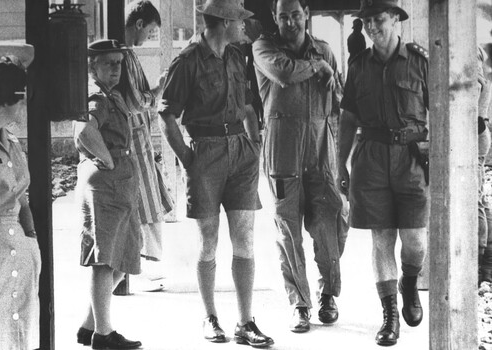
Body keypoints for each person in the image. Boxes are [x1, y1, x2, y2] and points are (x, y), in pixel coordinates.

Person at [158, 0, 274, 347]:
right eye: (239, 21)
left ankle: (246, 321)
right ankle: (210, 317)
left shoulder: (238, 57)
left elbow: (251, 105)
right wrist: (187, 159)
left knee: (245, 239)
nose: (244, 26)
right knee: (208, 241)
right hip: (205, 153)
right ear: (223, 22)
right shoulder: (188, 61)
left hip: (241, 152)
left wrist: (255, 145)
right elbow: (166, 116)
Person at [252, 0, 349, 333]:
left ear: (305, 14)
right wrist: (317, 68)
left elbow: (337, 103)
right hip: (282, 151)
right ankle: (300, 304)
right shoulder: (264, 47)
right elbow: (283, 72)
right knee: (288, 230)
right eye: (283, 16)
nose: (290, 22)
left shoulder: (324, 50)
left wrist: (341, 157)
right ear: (275, 18)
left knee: (330, 223)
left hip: (322, 150)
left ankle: (328, 295)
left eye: (295, 15)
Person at [337, 0, 428, 346]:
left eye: (379, 20)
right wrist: (339, 164)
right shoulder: (358, 66)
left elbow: (443, 111)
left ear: (396, 20)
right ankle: (390, 316)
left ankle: (409, 281)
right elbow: (348, 118)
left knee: (416, 241)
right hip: (371, 160)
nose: (372, 27)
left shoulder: (419, 62)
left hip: (411, 159)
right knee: (381, 239)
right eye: (367, 21)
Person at [74, 39, 142, 350]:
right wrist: (108, 158)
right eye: (107, 63)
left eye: (118, 63)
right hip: (107, 183)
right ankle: (104, 334)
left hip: (120, 181)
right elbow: (84, 131)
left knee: (123, 255)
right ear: (93, 66)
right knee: (104, 260)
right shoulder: (97, 96)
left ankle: (91, 325)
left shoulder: (112, 94)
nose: (115, 69)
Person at [0, 43, 42, 349]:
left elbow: (23, 197)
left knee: (20, 329)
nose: (24, 105)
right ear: (10, 98)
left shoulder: (12, 141)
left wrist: (31, 240)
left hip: (20, 244)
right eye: (22, 97)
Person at [113, 0, 171, 294]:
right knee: (148, 204)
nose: (147, 38)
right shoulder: (123, 55)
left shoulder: (125, 55)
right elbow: (135, 101)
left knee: (145, 203)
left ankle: (137, 269)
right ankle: (149, 270)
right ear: (138, 24)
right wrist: (157, 91)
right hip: (133, 139)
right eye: (148, 32)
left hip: (136, 138)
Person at [477, 45, 492, 283]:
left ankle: (481, 265)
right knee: (479, 200)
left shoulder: (476, 81)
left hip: (475, 133)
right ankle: (485, 268)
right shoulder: (483, 79)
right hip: (480, 134)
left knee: (476, 201)